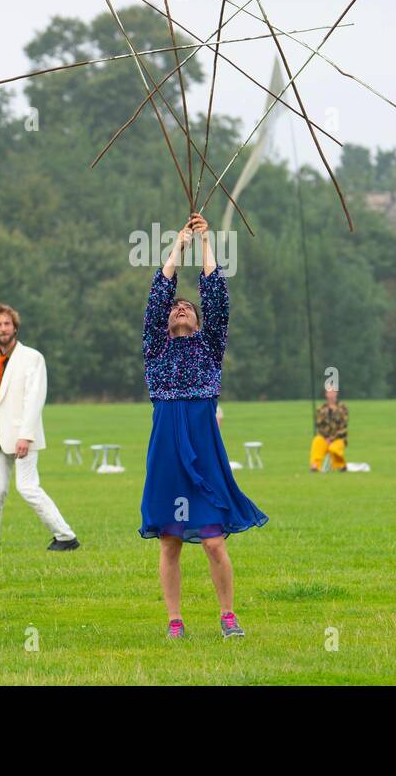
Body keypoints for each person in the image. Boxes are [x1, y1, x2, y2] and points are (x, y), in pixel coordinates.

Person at [141, 212, 267, 641]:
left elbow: (218, 298)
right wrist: (177, 246)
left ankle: (227, 616)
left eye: (187, 308)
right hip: (166, 446)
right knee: (169, 541)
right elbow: (158, 295)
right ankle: (175, 621)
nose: (180, 308)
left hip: (202, 441)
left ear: (197, 322)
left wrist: (205, 242)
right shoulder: (155, 348)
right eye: (177, 306)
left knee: (214, 540)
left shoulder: (209, 348)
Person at [0, 303, 78, 552]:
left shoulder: (33, 358)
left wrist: (25, 435)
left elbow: (35, 399)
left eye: (7, 323)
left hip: (23, 435)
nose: (3, 328)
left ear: (15, 326)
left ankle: (65, 537)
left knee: (28, 487)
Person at [309, 386, 349, 472]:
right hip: (325, 438)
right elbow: (319, 426)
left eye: (333, 392)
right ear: (326, 394)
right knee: (317, 441)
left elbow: (343, 427)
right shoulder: (321, 409)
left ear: (336, 393)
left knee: (333, 449)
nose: (331, 394)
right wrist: (326, 438)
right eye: (329, 392)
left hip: (338, 438)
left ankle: (341, 466)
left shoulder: (342, 408)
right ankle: (315, 466)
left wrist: (332, 439)